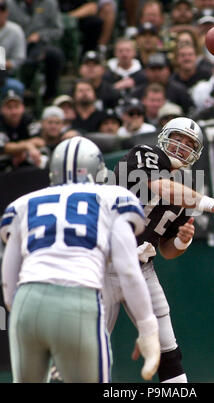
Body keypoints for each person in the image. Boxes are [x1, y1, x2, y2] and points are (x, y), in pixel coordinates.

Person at [0, 136, 160, 383]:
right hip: (77, 299)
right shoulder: (111, 197)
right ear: (98, 170)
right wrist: (148, 327)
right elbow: (128, 271)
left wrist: (26, 309)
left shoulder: (24, 203)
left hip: (26, 304)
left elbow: (8, 281)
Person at [103, 117, 214, 383]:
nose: (181, 146)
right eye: (177, 138)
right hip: (104, 263)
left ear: (196, 152)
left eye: (189, 143)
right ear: (164, 137)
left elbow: (168, 251)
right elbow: (159, 187)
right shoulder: (143, 154)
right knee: (91, 347)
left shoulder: (186, 191)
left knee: (168, 349)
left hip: (141, 269)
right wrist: (211, 204)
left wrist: (183, 240)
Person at [0, 90, 43, 171]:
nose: (13, 112)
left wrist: (23, 151)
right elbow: (3, 147)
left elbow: (40, 140)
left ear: (22, 107)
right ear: (2, 109)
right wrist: (27, 146)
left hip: (27, 161)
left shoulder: (29, 118)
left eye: (16, 107)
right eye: (9, 107)